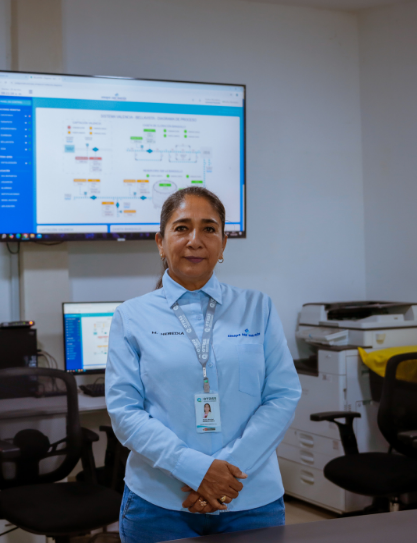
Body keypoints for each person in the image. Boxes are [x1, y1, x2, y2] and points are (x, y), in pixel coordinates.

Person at [105, 187, 302, 542]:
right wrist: (196, 471)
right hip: (159, 505)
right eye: (181, 228)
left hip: (250, 500)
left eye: (209, 229)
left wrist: (226, 475)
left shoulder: (258, 308)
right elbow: (125, 412)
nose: (195, 240)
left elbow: (282, 396)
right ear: (160, 243)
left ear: (223, 244)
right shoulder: (130, 316)